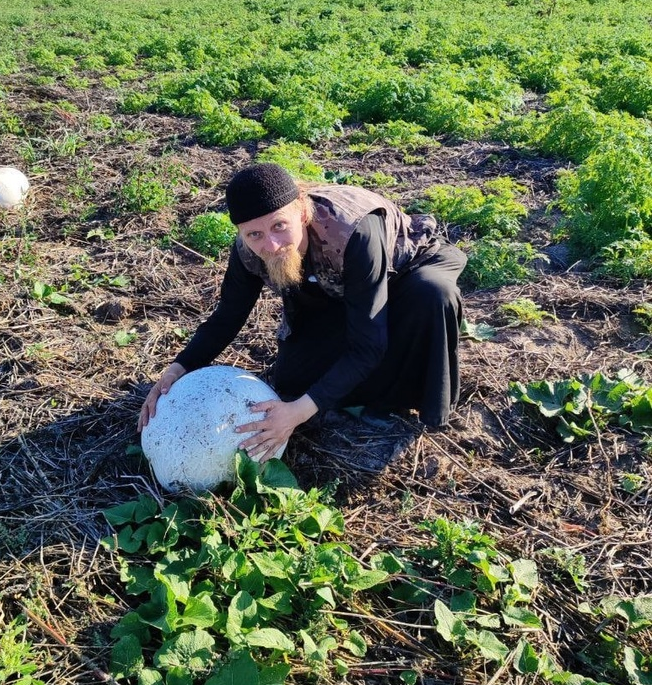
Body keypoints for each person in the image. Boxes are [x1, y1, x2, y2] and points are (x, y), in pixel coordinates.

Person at [138, 163, 466, 463]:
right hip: (336, 292)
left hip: (406, 273)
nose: (271, 244)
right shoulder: (249, 251)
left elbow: (368, 345)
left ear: (302, 212)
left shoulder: (354, 231)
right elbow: (228, 315)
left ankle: (397, 398)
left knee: (431, 294)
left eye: (280, 226)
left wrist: (297, 412)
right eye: (255, 234)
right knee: (294, 380)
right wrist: (177, 370)